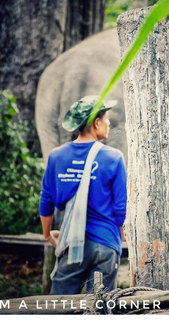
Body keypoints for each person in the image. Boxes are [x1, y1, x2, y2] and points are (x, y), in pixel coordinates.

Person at [39, 95, 127, 294]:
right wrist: (116, 238)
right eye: (106, 118)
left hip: (71, 244)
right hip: (105, 245)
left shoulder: (56, 156)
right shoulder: (113, 157)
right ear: (97, 123)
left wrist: (47, 234)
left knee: (59, 308)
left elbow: (46, 201)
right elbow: (120, 208)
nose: (109, 122)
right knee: (99, 308)